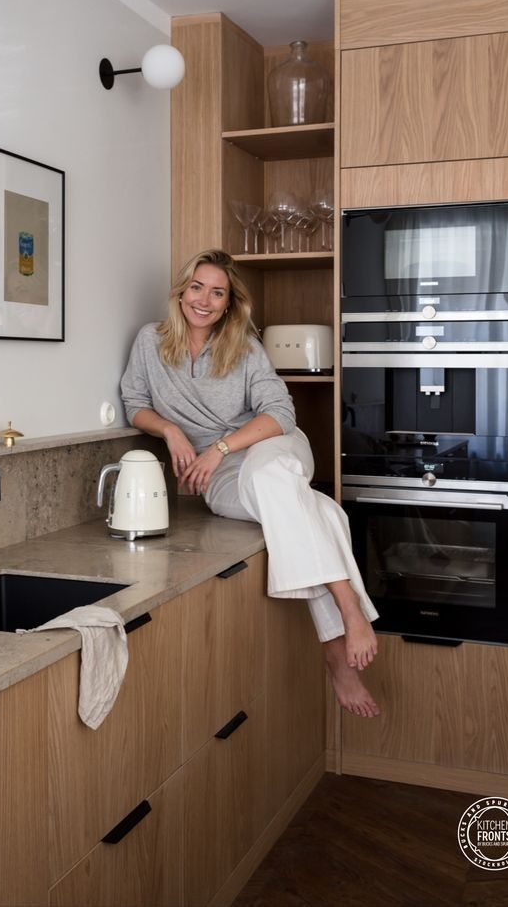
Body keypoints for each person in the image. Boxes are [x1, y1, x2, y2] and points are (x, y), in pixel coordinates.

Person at [120, 248, 380, 718]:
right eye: (197, 287)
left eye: (217, 292)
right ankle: (343, 631)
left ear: (228, 303)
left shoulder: (243, 348)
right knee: (316, 510)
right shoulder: (149, 342)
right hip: (218, 480)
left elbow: (280, 415)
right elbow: (134, 401)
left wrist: (220, 447)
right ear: (182, 291)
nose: (205, 299)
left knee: (274, 476)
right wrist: (172, 430)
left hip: (272, 447)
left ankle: (347, 611)